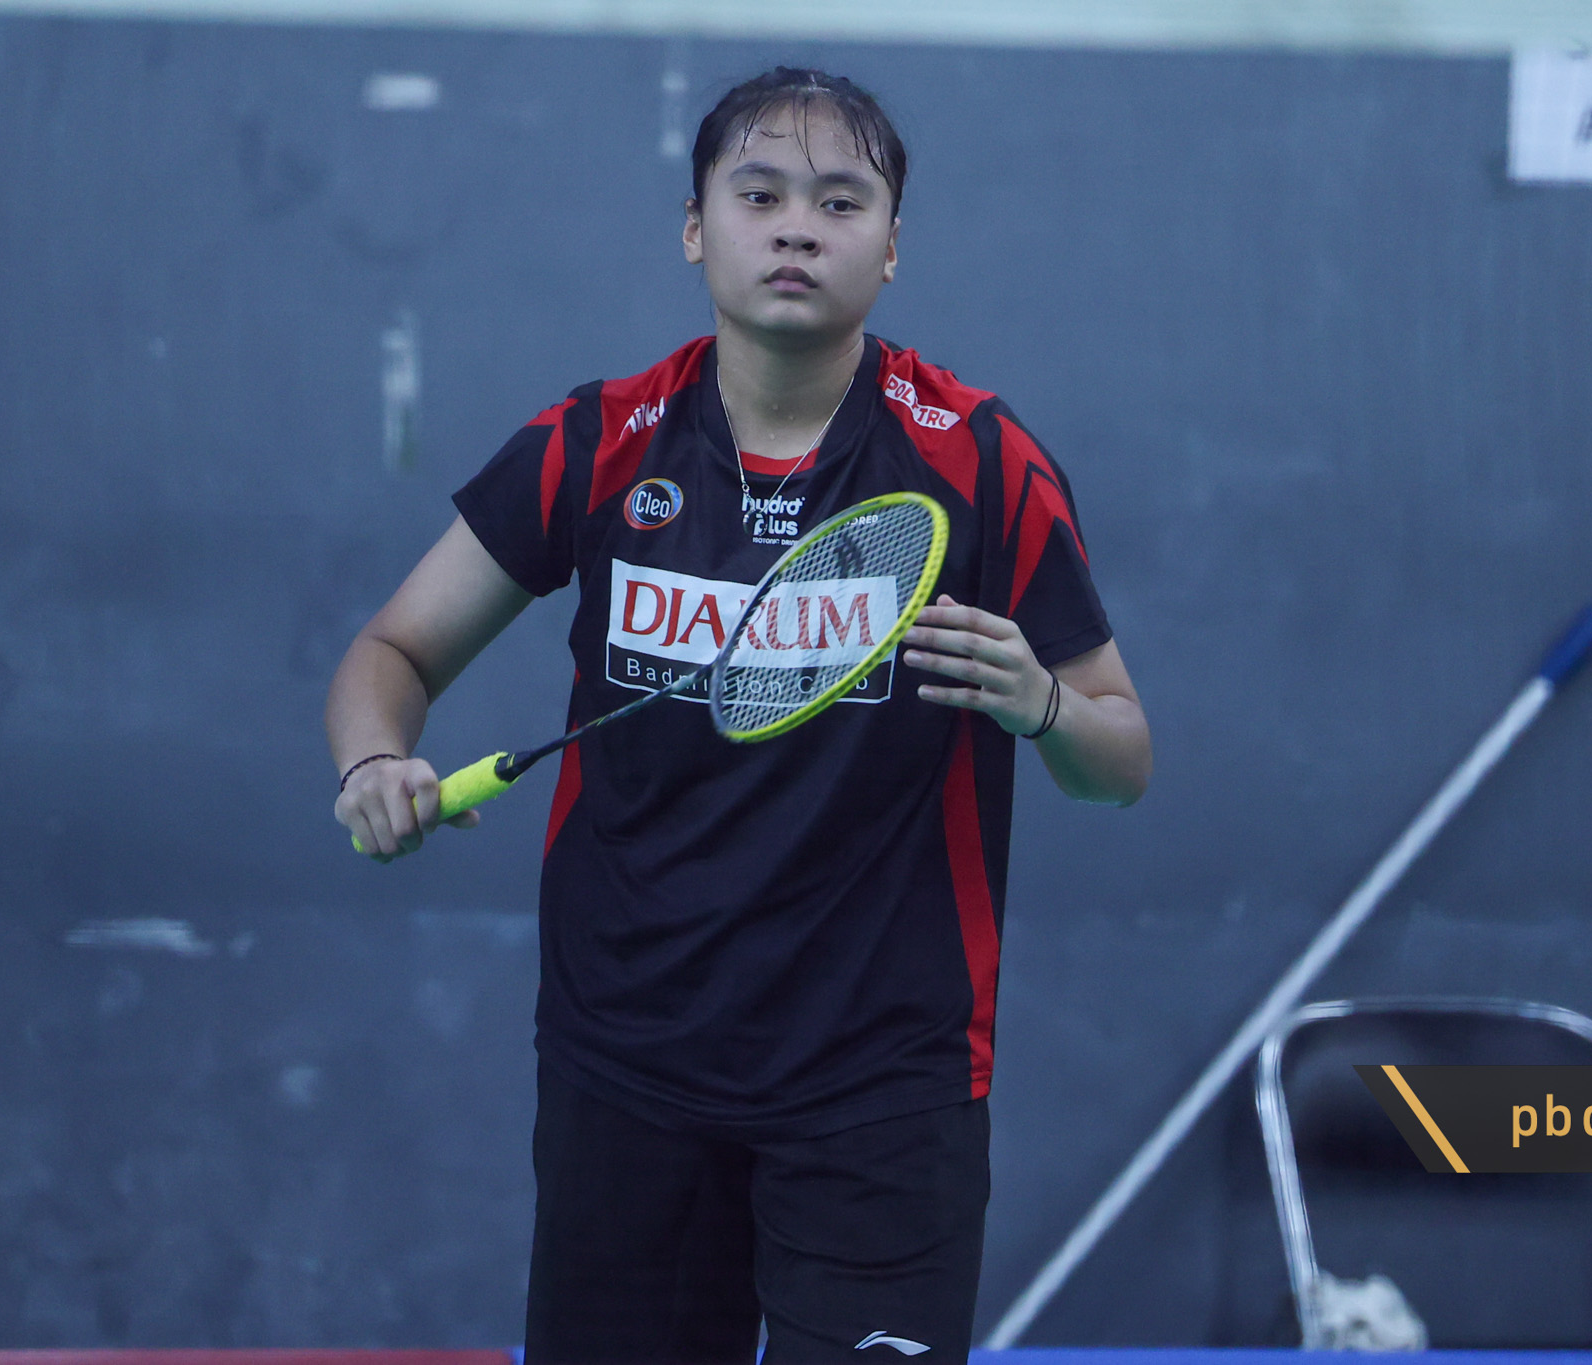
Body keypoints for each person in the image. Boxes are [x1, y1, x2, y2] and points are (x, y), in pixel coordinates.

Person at [326, 67, 1150, 1365]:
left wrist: (1044, 705)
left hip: (882, 1087)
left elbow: (1122, 760)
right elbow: (393, 650)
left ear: (892, 247)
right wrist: (374, 758)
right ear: (695, 228)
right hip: (628, 1065)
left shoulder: (982, 464)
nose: (797, 229)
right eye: (759, 196)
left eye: (841, 202)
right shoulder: (600, 441)